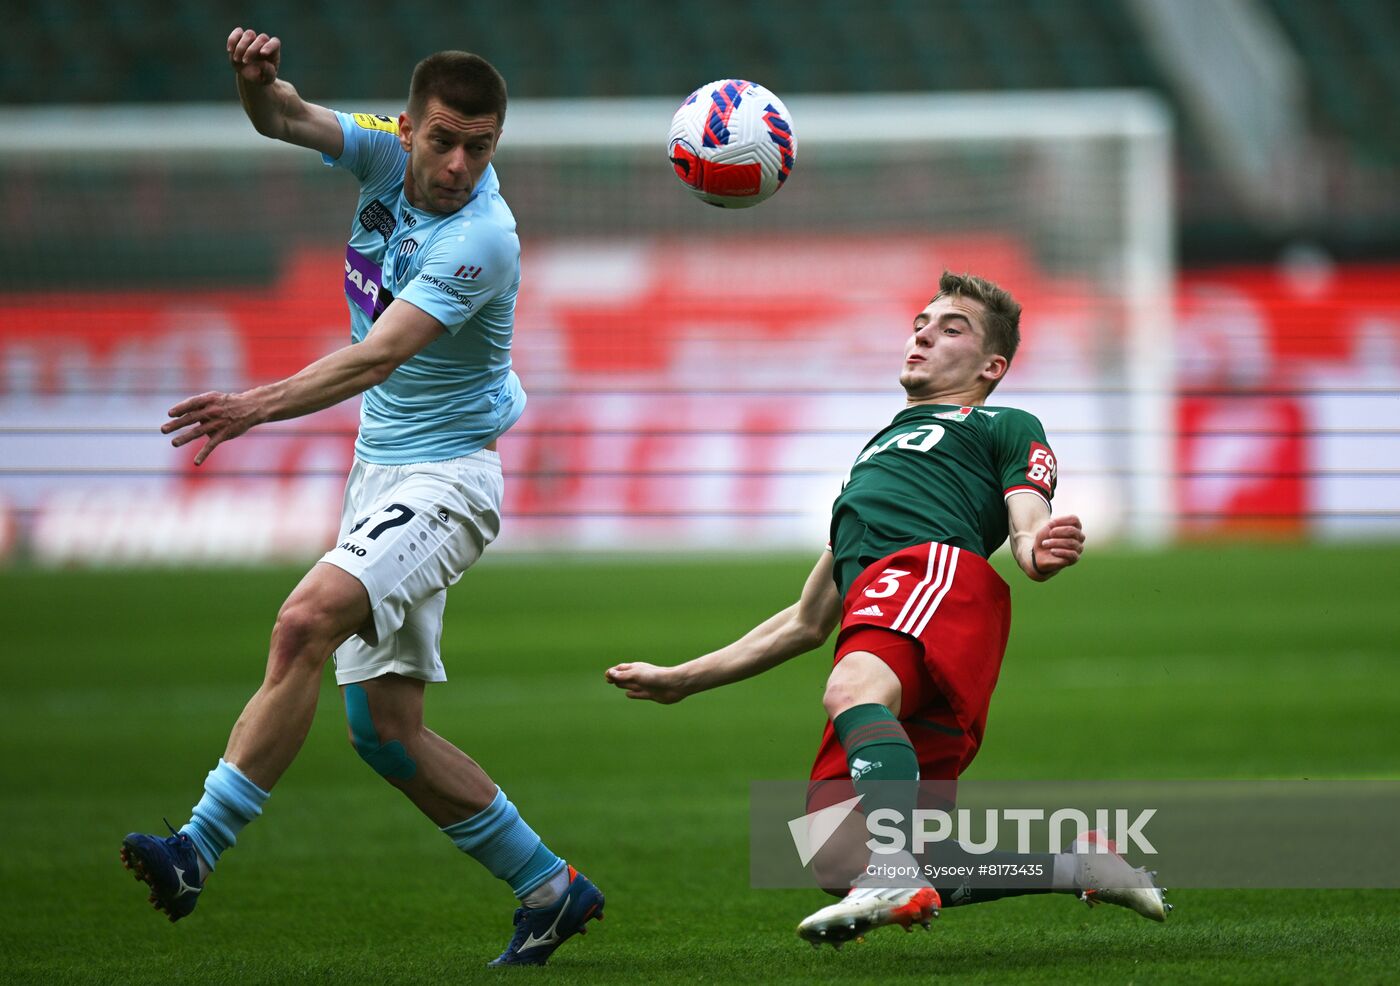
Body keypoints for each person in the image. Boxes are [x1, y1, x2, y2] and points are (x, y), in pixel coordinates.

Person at [119, 27, 603, 967]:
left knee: (304, 620)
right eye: (444, 141)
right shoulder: (382, 144)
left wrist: (251, 406)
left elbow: (377, 354)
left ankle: (194, 850)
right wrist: (255, 84)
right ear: (411, 126)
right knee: (386, 734)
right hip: (378, 473)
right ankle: (551, 888)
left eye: (481, 148)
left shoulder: (484, 239)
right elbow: (287, 117)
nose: (460, 164)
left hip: (449, 478)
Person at [606, 271, 1168, 946]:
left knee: (851, 692)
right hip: (890, 599)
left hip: (934, 578)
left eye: (951, 327)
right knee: (836, 855)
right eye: (921, 323)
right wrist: (682, 680)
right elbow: (807, 620)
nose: (925, 332)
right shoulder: (871, 458)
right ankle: (1074, 865)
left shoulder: (998, 423)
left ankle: (894, 868)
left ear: (993, 365)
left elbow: (1026, 517)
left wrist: (1033, 546)